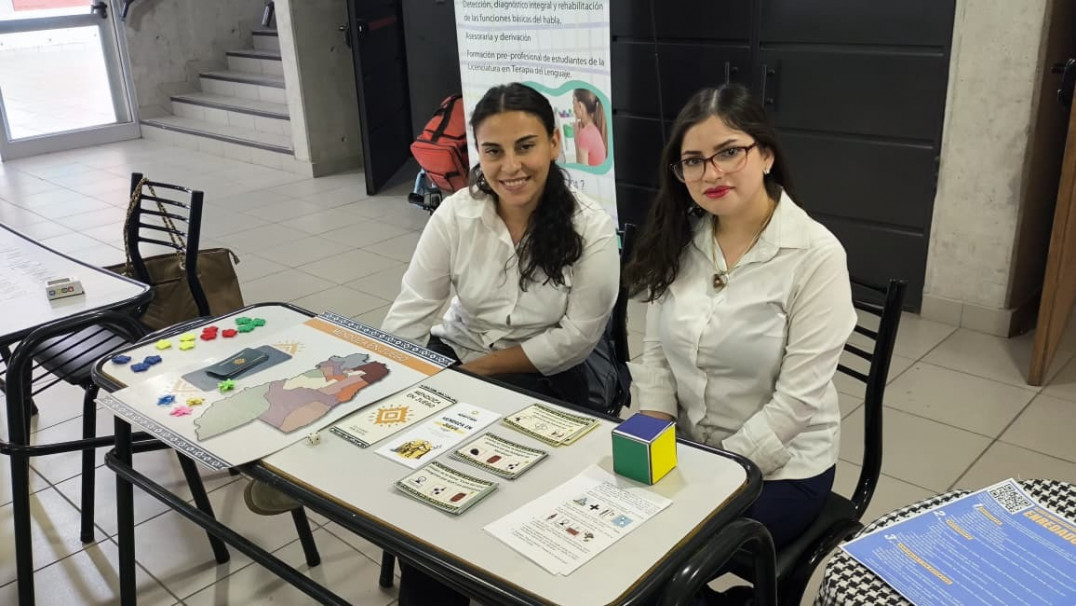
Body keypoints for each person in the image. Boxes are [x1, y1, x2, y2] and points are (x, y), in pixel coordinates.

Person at [382, 82, 619, 606]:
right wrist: (391, 383)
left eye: (525, 146)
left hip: (545, 373)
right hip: (457, 354)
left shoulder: (591, 228)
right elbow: (412, 311)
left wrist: (476, 374)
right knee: (428, 491)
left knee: (494, 481)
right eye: (493, 151)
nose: (511, 166)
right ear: (478, 154)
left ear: (554, 143)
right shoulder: (455, 215)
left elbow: (576, 340)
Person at [624, 83, 855, 600]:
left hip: (781, 470)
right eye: (693, 161)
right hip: (688, 450)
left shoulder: (816, 256)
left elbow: (796, 404)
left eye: (729, 152)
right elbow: (656, 357)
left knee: (656, 567)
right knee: (609, 534)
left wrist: (717, 472)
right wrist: (651, 440)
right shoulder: (681, 238)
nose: (711, 173)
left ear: (766, 155)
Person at [572, 88, 608, 167]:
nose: (573, 108)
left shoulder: (585, 134)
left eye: (573, 103)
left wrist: (576, 138)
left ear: (580, 106)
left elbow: (581, 170)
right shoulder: (595, 127)